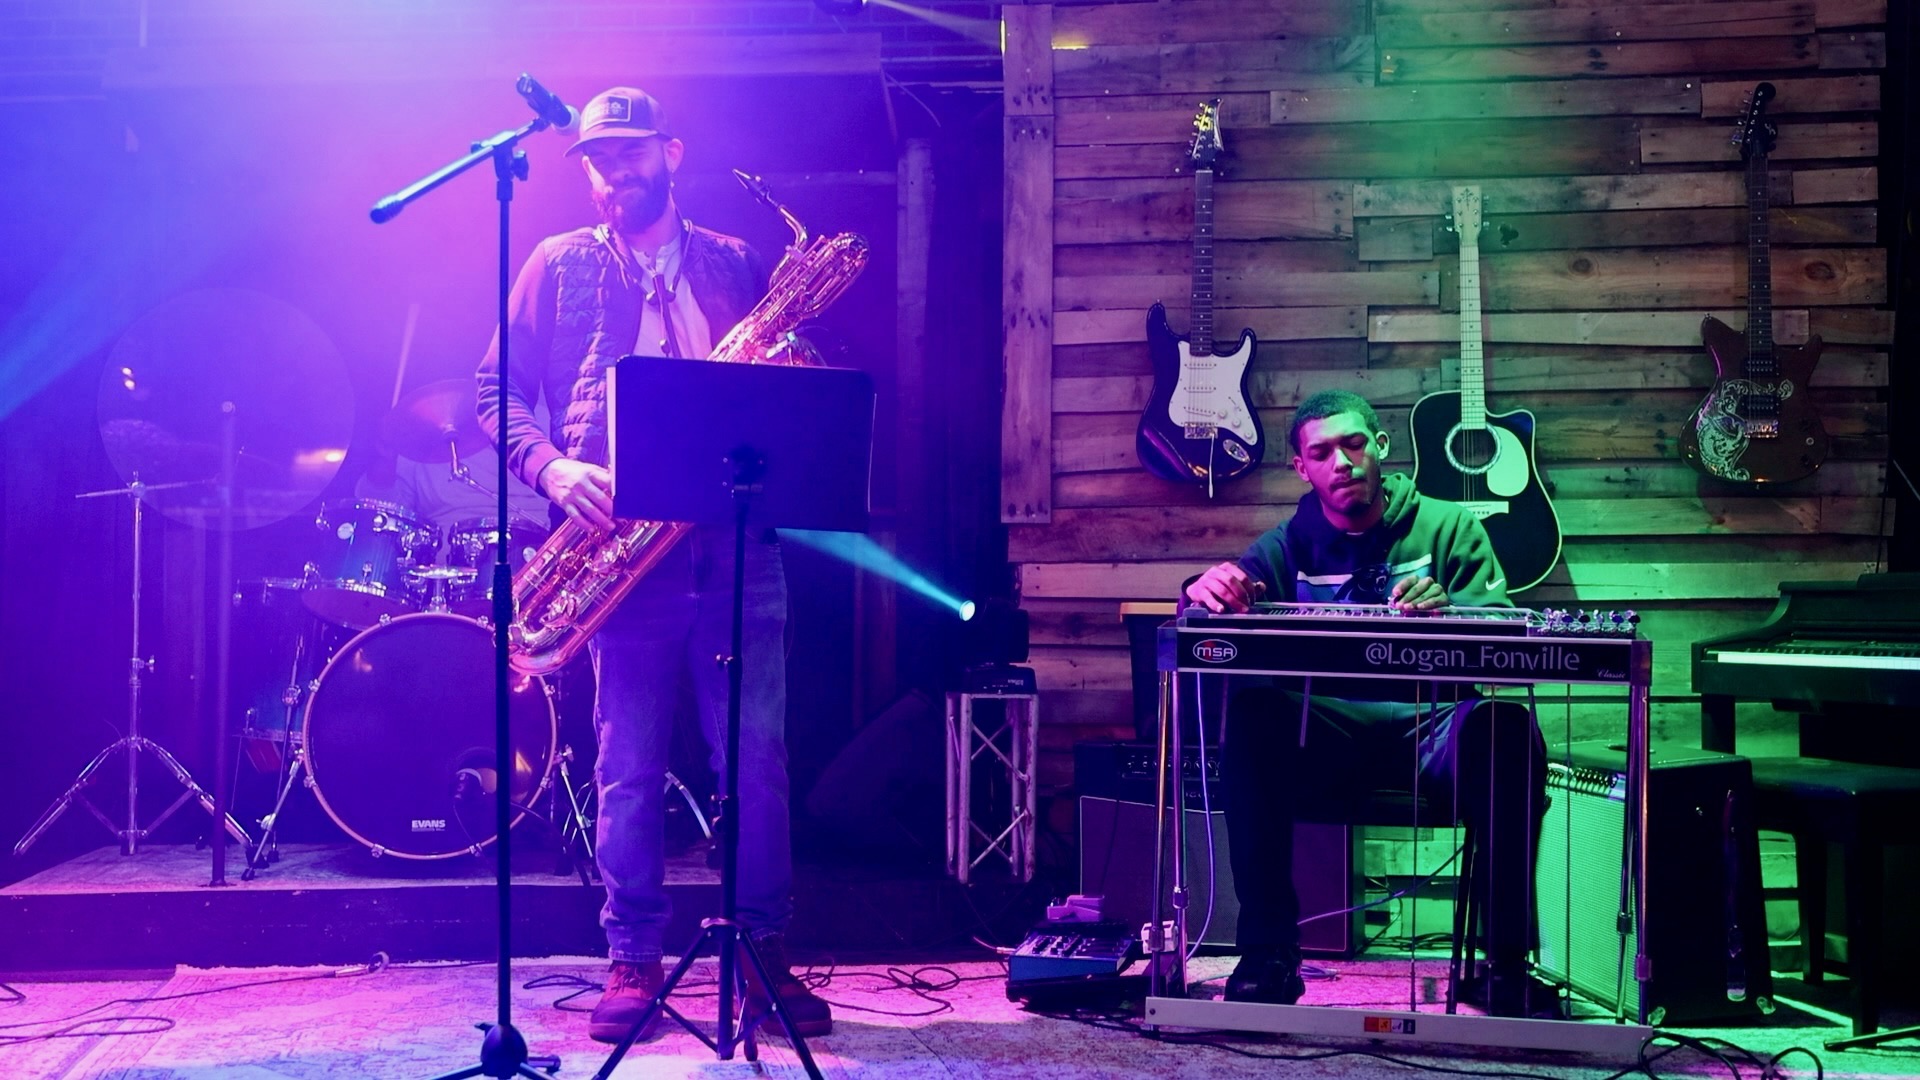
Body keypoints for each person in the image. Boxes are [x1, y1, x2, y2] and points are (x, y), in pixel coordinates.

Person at [475, 86, 830, 1042]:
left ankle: (761, 952)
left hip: (737, 544)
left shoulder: (736, 260)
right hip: (616, 553)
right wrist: (552, 467)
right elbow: (495, 390)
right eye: (596, 160)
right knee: (627, 766)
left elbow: (784, 389)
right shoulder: (555, 263)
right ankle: (631, 956)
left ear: (670, 154)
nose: (610, 173)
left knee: (756, 763)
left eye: (628, 153)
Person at [1184, 389, 1556, 1018]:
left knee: (1508, 728)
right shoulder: (1285, 545)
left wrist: (1449, 612)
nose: (1342, 462)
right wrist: (1202, 590)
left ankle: (1505, 966)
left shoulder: (1451, 526)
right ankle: (1268, 954)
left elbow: (1502, 627)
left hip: (1436, 731)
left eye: (1354, 444)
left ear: (1380, 447)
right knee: (1253, 716)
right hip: (1327, 737)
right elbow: (1206, 614)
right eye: (1321, 452)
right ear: (1301, 468)